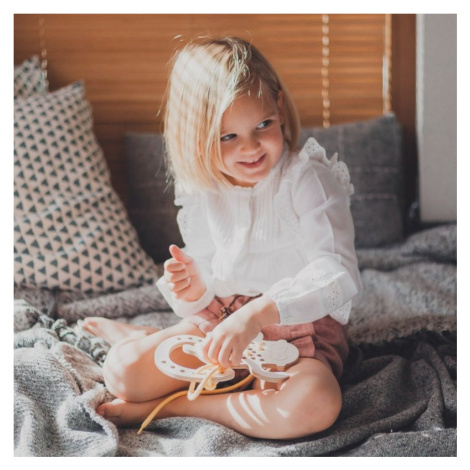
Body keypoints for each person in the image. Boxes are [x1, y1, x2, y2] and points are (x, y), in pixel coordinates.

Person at [84, 36, 362, 440]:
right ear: (196, 138)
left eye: (262, 125)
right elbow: (210, 279)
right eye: (227, 137)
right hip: (223, 324)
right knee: (123, 374)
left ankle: (171, 407)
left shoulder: (308, 179)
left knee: (313, 405)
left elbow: (339, 276)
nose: (250, 148)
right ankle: (155, 345)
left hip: (298, 331)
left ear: (280, 108)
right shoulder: (203, 190)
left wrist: (258, 315)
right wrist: (195, 289)